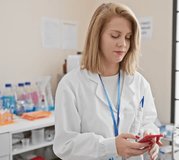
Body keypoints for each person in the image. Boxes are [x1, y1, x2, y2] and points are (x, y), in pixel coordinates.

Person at [53, 2, 160, 160]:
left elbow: (148, 122)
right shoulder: (71, 85)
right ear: (97, 37)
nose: (123, 44)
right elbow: (65, 145)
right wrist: (111, 147)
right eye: (115, 35)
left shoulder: (138, 82)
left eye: (128, 37)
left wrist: (150, 135)